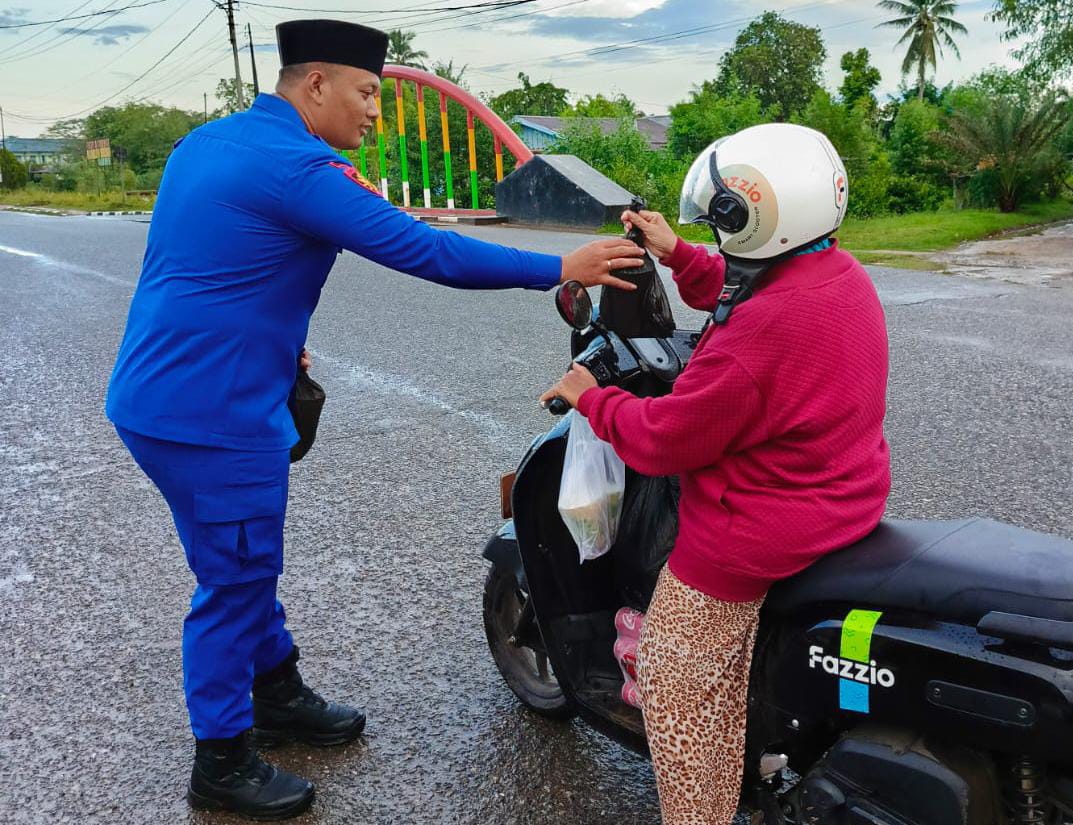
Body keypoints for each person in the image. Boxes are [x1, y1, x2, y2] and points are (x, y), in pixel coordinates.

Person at [105, 18, 644, 821]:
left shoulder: (205, 143)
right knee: (233, 577)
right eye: (365, 93)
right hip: (212, 413)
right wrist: (558, 266)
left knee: (240, 559)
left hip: (160, 395)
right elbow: (425, 250)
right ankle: (221, 759)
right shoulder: (301, 169)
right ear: (314, 84)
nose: (374, 114)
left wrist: (276, 348)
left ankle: (276, 692)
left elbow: (198, 267)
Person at [541, 123, 891, 824]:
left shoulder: (757, 340)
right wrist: (676, 253)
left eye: (724, 219)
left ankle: (698, 812)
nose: (718, 232)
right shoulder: (837, 276)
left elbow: (664, 440)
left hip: (756, 533)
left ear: (754, 218)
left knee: (673, 680)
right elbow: (741, 293)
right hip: (846, 500)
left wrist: (591, 395)